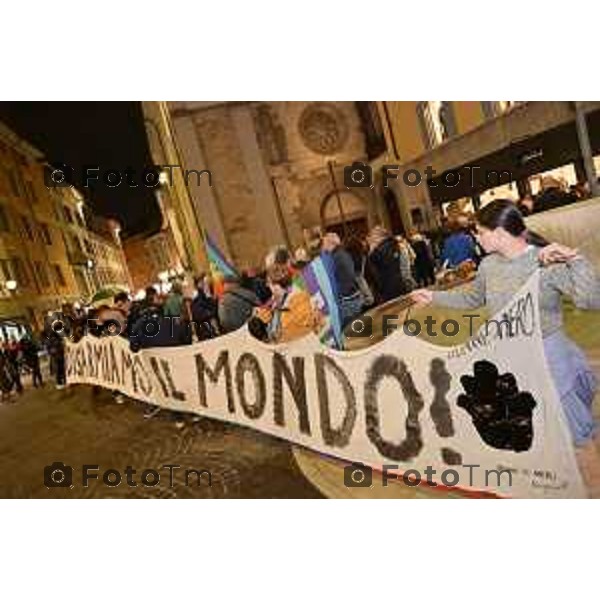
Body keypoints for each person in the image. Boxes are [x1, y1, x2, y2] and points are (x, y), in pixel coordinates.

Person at [409, 198, 600, 496]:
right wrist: (434, 297)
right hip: (513, 361)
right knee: (540, 436)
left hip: (551, 361)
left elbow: (591, 300)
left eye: (479, 232)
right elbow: (473, 299)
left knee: (577, 438)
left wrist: (574, 260)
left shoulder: (545, 260)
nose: (476, 237)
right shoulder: (489, 265)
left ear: (498, 233)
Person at [255, 263, 320, 343]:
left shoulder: (298, 299)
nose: (267, 286)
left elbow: (300, 334)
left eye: (269, 283)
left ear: (277, 285)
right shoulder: (277, 298)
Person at [321, 232, 362, 326]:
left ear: (330, 243)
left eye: (324, 244)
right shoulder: (343, 253)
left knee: (352, 330)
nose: (323, 247)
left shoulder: (335, 257)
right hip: (353, 296)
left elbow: (335, 279)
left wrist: (340, 296)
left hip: (347, 300)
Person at [365, 226, 413, 305]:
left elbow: (374, 277)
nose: (370, 239)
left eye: (372, 236)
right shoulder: (397, 246)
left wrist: (371, 252)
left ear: (378, 237)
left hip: (386, 292)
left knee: (393, 315)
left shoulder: (375, 254)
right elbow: (405, 268)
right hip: (401, 286)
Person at [190, 274, 219, 340]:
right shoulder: (196, 302)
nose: (205, 284)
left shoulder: (211, 298)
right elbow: (203, 316)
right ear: (197, 285)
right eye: (202, 282)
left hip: (213, 332)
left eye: (205, 282)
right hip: (207, 335)